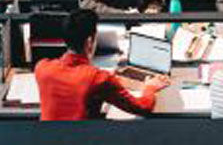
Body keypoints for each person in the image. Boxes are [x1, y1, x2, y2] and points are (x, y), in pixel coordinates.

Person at [35, 9, 168, 120]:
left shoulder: (42, 68)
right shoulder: (98, 78)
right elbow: (143, 107)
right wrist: (150, 88)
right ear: (89, 42)